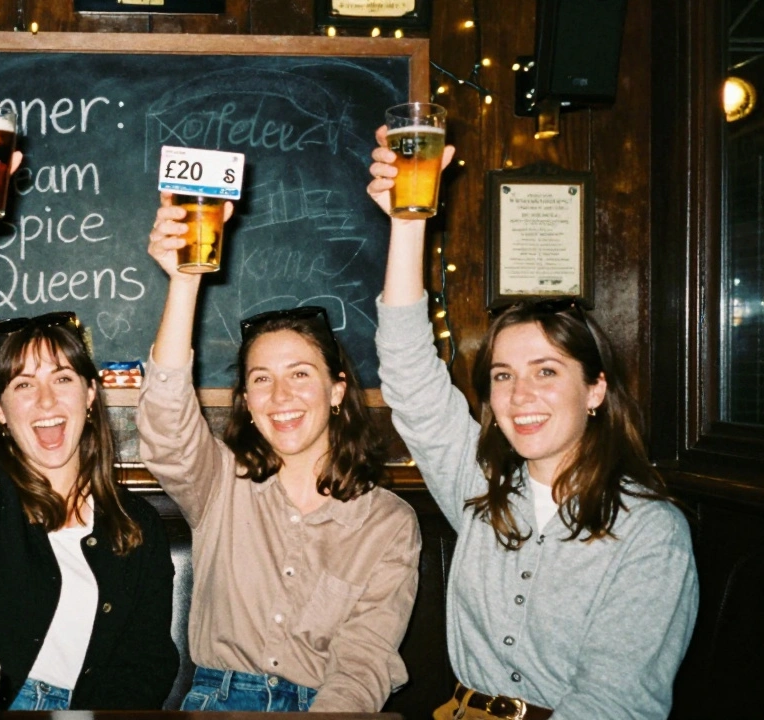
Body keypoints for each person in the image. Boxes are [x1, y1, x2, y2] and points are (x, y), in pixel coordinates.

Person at [367, 126, 698, 720]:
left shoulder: (651, 531)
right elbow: (410, 374)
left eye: (546, 371)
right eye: (501, 375)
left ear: (595, 388)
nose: (520, 395)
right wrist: (407, 221)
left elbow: (614, 703)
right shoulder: (479, 485)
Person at [0, 132, 179, 711]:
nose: (46, 400)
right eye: (22, 385)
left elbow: (147, 666)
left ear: (92, 395)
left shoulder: (138, 529)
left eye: (63, 378)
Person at [135, 193, 422, 712]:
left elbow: (363, 663)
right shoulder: (221, 483)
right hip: (217, 700)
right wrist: (183, 282)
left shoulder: (388, 522)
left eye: (299, 375)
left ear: (337, 391)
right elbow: (165, 426)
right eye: (261, 380)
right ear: (246, 400)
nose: (280, 397)